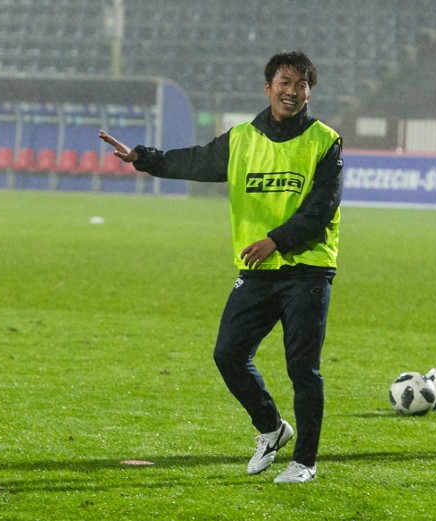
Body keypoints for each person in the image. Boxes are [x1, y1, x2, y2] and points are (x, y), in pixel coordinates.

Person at [99, 50, 343, 482]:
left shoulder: (325, 140)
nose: (292, 92)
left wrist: (275, 240)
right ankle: (272, 428)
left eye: (301, 85)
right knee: (228, 354)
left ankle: (304, 462)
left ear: (309, 92)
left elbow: (322, 208)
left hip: (307, 268)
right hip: (257, 270)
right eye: (284, 83)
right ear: (267, 87)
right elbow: (193, 160)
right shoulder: (241, 139)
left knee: (302, 369)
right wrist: (143, 157)